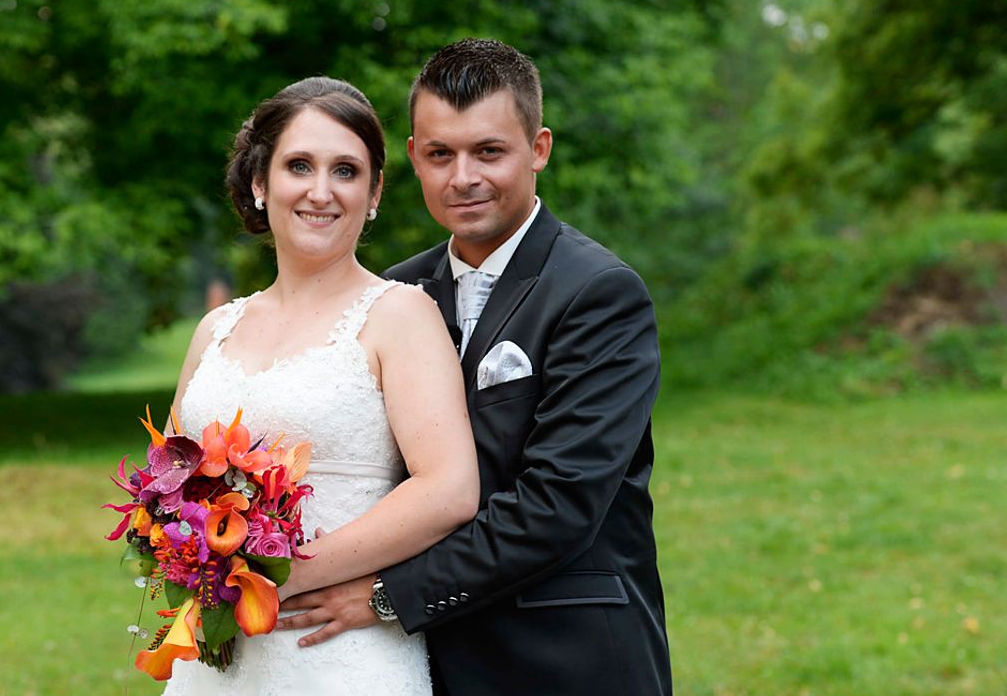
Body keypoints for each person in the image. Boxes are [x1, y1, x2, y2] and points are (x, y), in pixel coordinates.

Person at [277, 39, 671, 694]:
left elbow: (558, 504)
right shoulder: (393, 297)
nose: (463, 177)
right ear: (413, 158)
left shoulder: (598, 293)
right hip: (421, 665)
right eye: (440, 154)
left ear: (538, 148)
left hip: (562, 660)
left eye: (489, 151)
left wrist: (386, 595)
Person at [161, 76, 480, 696]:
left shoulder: (400, 316)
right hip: (213, 659)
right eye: (299, 165)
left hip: (338, 656)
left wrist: (275, 576)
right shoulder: (215, 328)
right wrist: (180, 554)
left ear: (375, 191)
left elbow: (449, 489)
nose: (320, 191)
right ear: (260, 182)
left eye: (346, 171)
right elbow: (172, 478)